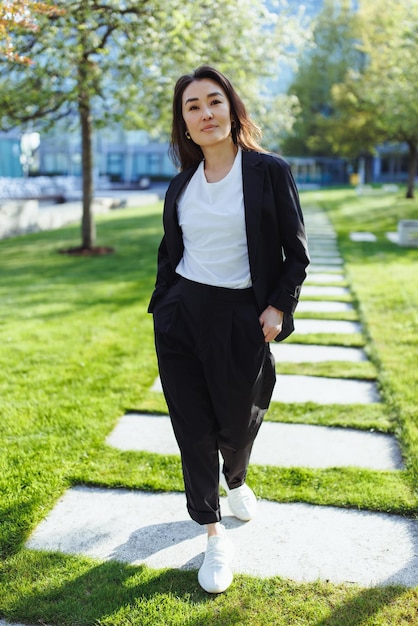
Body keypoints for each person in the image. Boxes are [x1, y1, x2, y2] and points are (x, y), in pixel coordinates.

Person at [148, 65, 309, 594]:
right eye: (192, 107)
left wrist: (278, 308)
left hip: (242, 316)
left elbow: (296, 253)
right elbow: (172, 253)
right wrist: (164, 306)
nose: (205, 113)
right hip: (181, 318)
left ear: (232, 109)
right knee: (192, 430)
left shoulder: (269, 171)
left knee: (237, 425)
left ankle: (235, 478)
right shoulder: (181, 186)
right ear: (184, 125)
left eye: (213, 101)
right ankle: (214, 534)